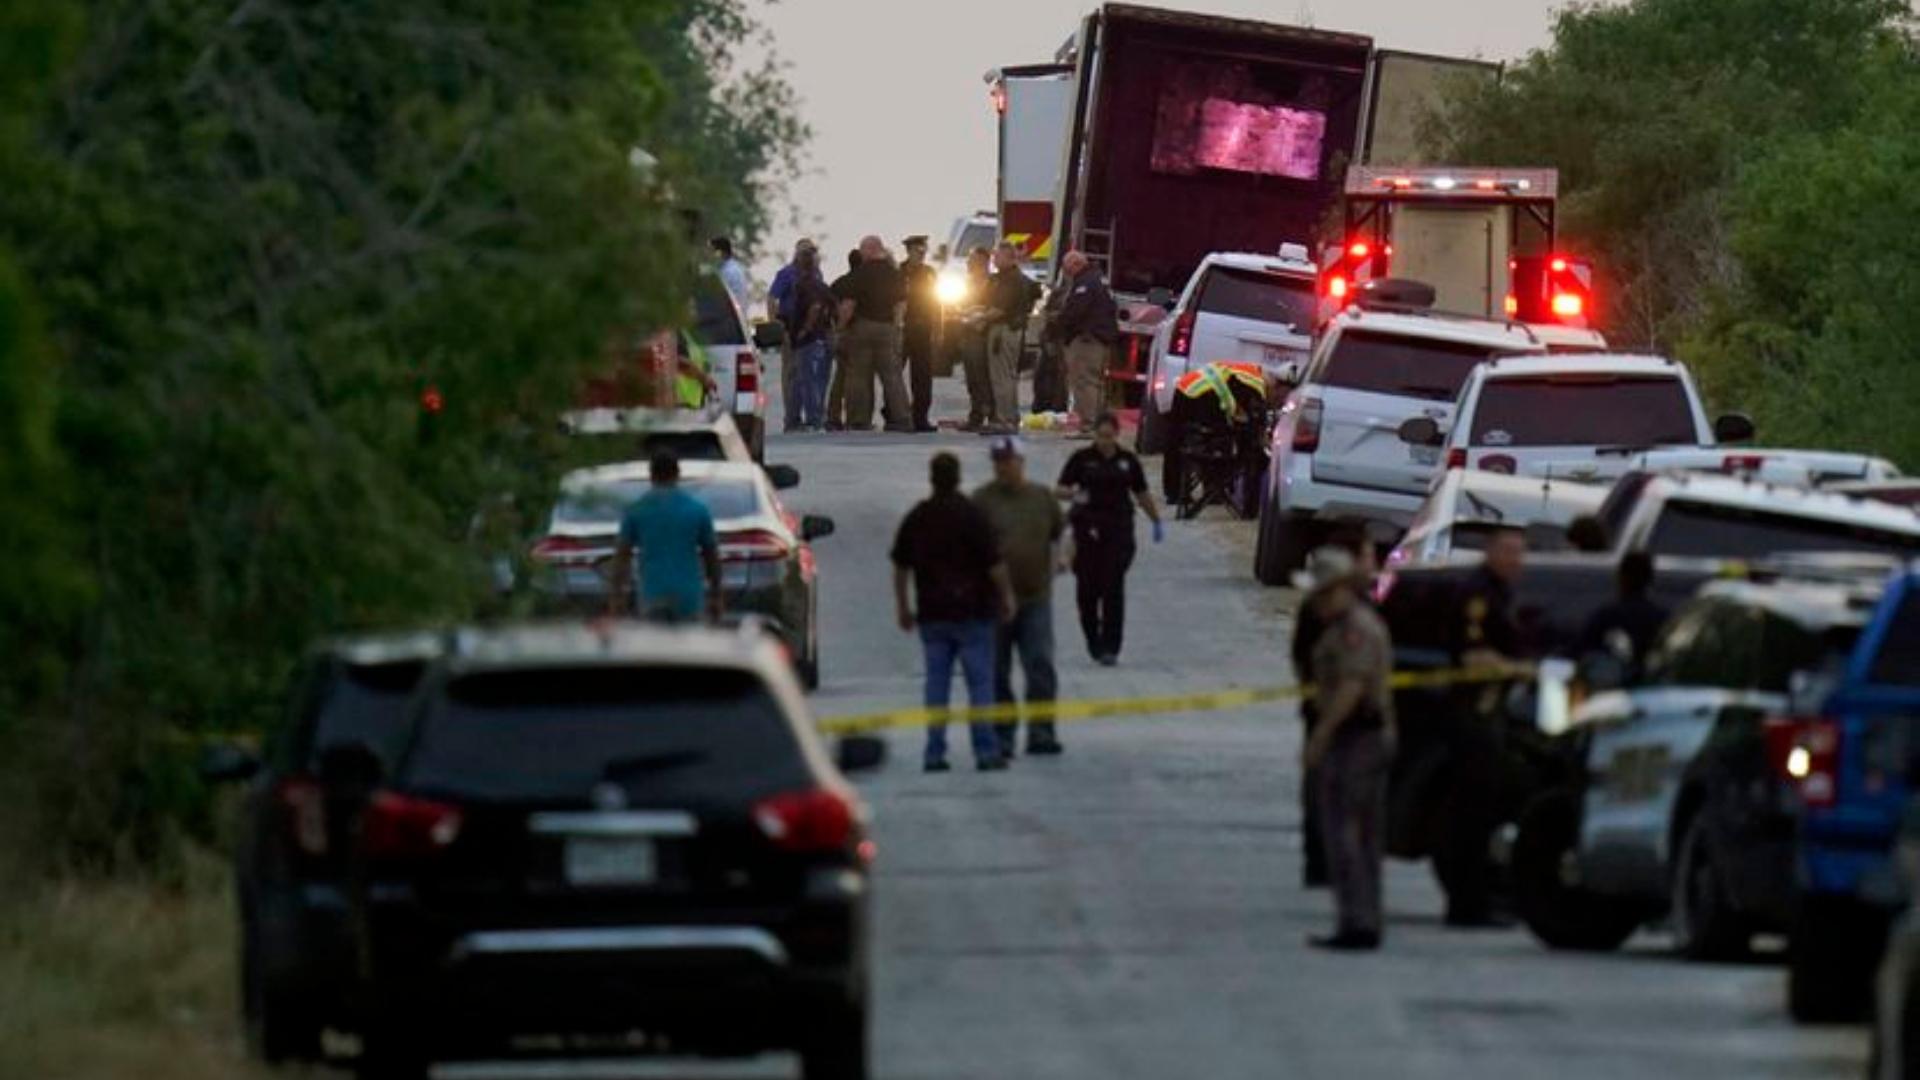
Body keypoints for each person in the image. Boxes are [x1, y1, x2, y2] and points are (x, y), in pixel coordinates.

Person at [1297, 546, 1396, 951]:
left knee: (1347, 833)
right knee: (1361, 834)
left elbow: (1352, 688)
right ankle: (1362, 918)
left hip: (1358, 738)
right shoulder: (1345, 626)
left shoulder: (1354, 630)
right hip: (1362, 737)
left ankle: (1358, 921)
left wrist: (1321, 735)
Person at [892, 453, 1017, 772]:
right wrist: (1006, 597)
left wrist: (904, 606)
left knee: (937, 685)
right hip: (974, 612)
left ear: (932, 478)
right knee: (980, 684)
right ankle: (985, 750)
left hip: (933, 614)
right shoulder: (972, 515)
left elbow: (900, 565)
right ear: (958, 477)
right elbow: (995, 564)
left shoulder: (919, 517)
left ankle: (934, 752)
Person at [1436, 525, 1527, 928]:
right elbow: (1474, 659)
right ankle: (1467, 905)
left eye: (1519, 553)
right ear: (1489, 551)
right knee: (1471, 818)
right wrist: (1522, 669)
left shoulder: (1500, 592)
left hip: (1490, 715)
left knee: (1482, 814)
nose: (1515, 561)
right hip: (1473, 715)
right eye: (1508, 552)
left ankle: (1475, 900)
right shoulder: (1478, 595)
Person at [1290, 521, 1377, 888]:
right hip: (1338, 710)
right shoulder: (1337, 610)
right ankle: (1325, 862)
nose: (1375, 562)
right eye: (1369, 554)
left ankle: (1324, 860)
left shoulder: (1348, 602)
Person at [974, 436, 1066, 757]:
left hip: (1035, 596)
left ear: (1021, 463)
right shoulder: (982, 501)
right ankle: (1003, 735)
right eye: (998, 462)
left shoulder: (1041, 498)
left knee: (1040, 664)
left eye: (1008, 461)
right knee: (997, 670)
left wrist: (1063, 559)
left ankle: (1042, 731)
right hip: (995, 602)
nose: (1003, 468)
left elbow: (1062, 534)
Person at [1057, 413, 1164, 665]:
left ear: (1116, 435)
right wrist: (1074, 494)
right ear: (1094, 434)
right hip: (1086, 529)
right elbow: (1059, 489)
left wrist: (1156, 520)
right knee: (1087, 592)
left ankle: (1111, 646)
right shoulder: (1081, 460)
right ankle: (1093, 640)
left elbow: (1141, 493)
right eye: (1100, 436)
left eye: (1109, 436)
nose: (1105, 441)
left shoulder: (1127, 461)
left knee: (1113, 587)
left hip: (1118, 529)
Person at [608, 451, 722, 623]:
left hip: (652, 593)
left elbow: (622, 556)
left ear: (651, 475)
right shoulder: (696, 510)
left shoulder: (637, 510)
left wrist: (617, 596)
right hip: (689, 595)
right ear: (677, 474)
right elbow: (711, 556)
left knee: (656, 647)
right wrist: (716, 594)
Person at [832, 235, 913, 433]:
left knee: (859, 376)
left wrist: (839, 328)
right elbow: (901, 304)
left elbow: (848, 306)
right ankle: (902, 418)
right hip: (888, 328)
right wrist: (897, 327)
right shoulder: (895, 275)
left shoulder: (859, 275)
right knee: (893, 376)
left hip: (862, 328)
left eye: (863, 250)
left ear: (869, 250)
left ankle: (859, 420)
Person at [1051, 250, 1119, 426]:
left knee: (1084, 380)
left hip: (1088, 339)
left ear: (1076, 264)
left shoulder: (1086, 282)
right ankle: (1096, 422)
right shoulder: (1099, 279)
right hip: (1100, 338)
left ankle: (1089, 423)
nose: (1066, 272)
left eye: (1067, 268)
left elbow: (1075, 311)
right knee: (1096, 382)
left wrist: (1058, 326)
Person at [1577, 552, 1666, 676]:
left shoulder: (1607, 616)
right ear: (1650, 579)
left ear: (1621, 577)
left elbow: (1580, 650)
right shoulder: (1662, 619)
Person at [779, 244, 836, 431]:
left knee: (806, 380)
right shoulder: (821, 285)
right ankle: (794, 419)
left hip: (807, 339)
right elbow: (832, 307)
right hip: (818, 337)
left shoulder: (804, 285)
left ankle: (812, 419)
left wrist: (805, 328)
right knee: (804, 380)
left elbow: (815, 307)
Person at [985, 242, 1040, 435]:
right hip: (1012, 330)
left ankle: (1004, 420)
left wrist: (977, 318)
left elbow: (999, 309)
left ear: (1009, 258)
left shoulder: (1011, 280)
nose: (994, 259)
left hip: (1004, 330)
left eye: (997, 256)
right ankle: (1010, 418)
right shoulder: (1017, 278)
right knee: (1008, 376)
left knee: (1001, 378)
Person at [767, 238, 819, 433]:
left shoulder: (816, 273)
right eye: (805, 252)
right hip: (790, 328)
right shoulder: (786, 274)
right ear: (797, 253)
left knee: (808, 375)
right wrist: (775, 326)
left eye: (811, 252)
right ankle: (792, 418)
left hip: (811, 329)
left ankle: (809, 417)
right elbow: (772, 298)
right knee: (791, 374)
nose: (808, 256)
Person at [900, 235, 941, 433]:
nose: (922, 255)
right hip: (903, 327)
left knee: (923, 376)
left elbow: (936, 303)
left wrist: (938, 328)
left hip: (923, 328)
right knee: (894, 374)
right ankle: (894, 414)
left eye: (924, 251)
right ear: (909, 251)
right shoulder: (899, 272)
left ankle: (920, 417)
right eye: (918, 251)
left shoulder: (929, 273)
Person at [957, 248, 996, 430]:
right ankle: (976, 415)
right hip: (967, 332)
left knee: (983, 377)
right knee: (972, 378)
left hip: (982, 334)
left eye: (971, 261)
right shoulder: (969, 283)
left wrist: (977, 314)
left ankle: (991, 414)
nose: (968, 264)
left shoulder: (991, 284)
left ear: (982, 262)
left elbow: (991, 307)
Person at [824, 249, 861, 431]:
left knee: (839, 377)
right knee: (856, 378)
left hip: (839, 333)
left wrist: (835, 328)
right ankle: (854, 417)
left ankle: (833, 415)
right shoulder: (860, 283)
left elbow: (827, 305)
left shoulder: (838, 283)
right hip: (854, 333)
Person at [712, 236, 751, 313]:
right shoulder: (735, 268)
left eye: (713, 252)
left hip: (729, 319)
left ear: (721, 253)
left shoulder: (728, 272)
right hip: (738, 318)